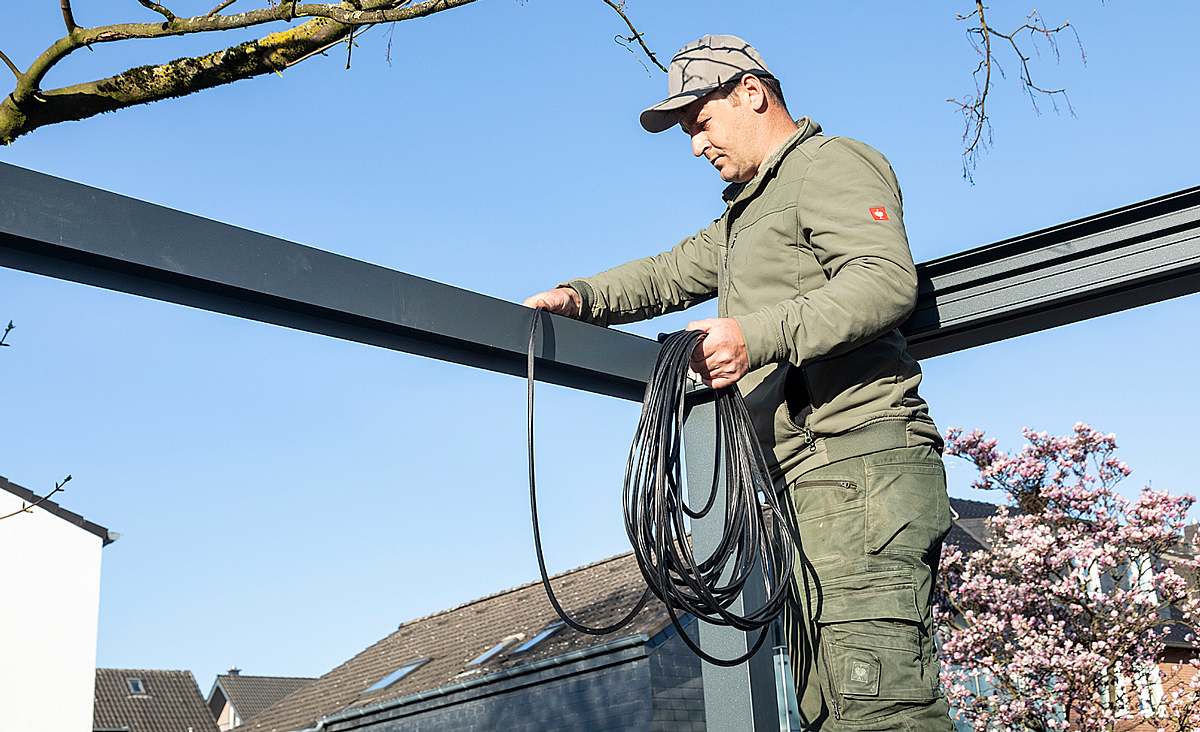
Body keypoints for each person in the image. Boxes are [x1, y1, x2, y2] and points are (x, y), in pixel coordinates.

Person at [524, 35, 953, 730]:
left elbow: (884, 280)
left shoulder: (831, 165)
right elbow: (665, 273)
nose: (695, 145)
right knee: (830, 708)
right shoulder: (744, 217)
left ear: (751, 93)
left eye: (701, 122)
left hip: (858, 466)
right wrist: (577, 298)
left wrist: (756, 336)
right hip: (806, 483)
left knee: (879, 706)